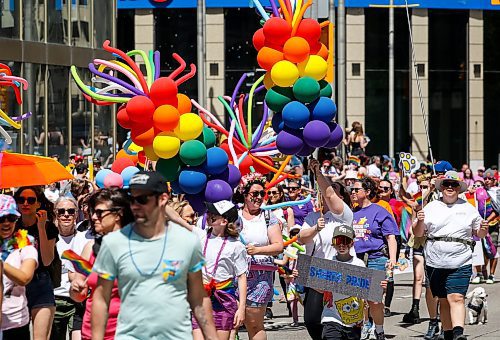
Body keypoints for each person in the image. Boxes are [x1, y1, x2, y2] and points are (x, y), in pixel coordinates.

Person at [91, 171, 218, 339]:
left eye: (142, 199)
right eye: (132, 199)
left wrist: (212, 337)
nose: (135, 205)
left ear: (163, 199)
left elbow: (198, 297)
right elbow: (101, 299)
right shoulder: (114, 242)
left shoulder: (187, 241)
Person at [414, 171, 489, 340]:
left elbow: (480, 233)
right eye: (446, 184)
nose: (450, 188)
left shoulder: (468, 208)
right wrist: (419, 220)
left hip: (460, 260)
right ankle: (448, 333)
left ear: (458, 189)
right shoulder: (431, 207)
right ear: (441, 188)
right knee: (443, 299)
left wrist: (483, 228)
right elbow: (418, 233)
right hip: (435, 261)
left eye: (453, 185)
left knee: (456, 297)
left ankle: (458, 333)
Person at [298, 159, 354, 340]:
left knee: (338, 323)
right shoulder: (312, 216)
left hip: (339, 274)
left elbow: (329, 194)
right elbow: (302, 237)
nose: (326, 193)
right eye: (321, 191)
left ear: (342, 198)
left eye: (334, 191)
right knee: (312, 320)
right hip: (315, 274)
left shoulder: (344, 216)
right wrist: (316, 229)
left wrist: (317, 170)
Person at [69, 188, 134, 340]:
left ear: (119, 214)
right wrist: (76, 289)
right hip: (90, 332)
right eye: (93, 211)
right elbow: (78, 296)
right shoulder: (90, 248)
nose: (93, 217)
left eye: (99, 212)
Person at [235, 173, 283, 340]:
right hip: (232, 274)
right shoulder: (233, 215)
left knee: (254, 324)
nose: (259, 197)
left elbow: (278, 246)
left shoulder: (269, 217)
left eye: (262, 194)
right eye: (254, 194)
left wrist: (257, 251)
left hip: (260, 277)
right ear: (244, 194)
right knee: (230, 324)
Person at [191, 200, 248, 340]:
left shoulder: (236, 246)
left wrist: (241, 309)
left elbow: (241, 277)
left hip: (224, 300)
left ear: (224, 221)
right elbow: (178, 221)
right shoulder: (202, 235)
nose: (209, 215)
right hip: (202, 298)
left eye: (214, 214)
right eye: (209, 212)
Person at [350, 178, 399, 340]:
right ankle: (365, 325)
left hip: (377, 258)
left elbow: (391, 237)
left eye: (357, 190)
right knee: (361, 298)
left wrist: (392, 260)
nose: (353, 192)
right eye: (352, 190)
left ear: (368, 192)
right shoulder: (351, 212)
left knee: (374, 299)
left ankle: (379, 329)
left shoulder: (379, 211)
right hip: (356, 259)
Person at [320, 224, 387, 340]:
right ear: (333, 243)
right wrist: (300, 276)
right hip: (331, 317)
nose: (342, 245)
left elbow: (369, 291)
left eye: (346, 241)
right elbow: (319, 288)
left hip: (353, 320)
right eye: (338, 240)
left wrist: (381, 287)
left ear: (352, 243)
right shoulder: (328, 264)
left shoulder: (359, 264)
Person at [14, 186, 59, 340]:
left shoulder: (49, 227)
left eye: (31, 200)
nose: (25, 203)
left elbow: (47, 260)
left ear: (38, 204)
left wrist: (41, 228)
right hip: (17, 286)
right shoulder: (11, 226)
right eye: (21, 200)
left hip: (41, 284)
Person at [51, 197, 92, 340]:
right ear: (55, 214)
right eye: (61, 211)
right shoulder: (50, 238)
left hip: (78, 302)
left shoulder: (84, 238)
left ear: (76, 214)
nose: (66, 214)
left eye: (71, 211)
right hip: (54, 300)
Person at [0, 195, 38, 339]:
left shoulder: (25, 245)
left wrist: (2, 265)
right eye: (1, 218)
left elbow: (25, 278)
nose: (6, 223)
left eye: (11, 218)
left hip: (15, 325)